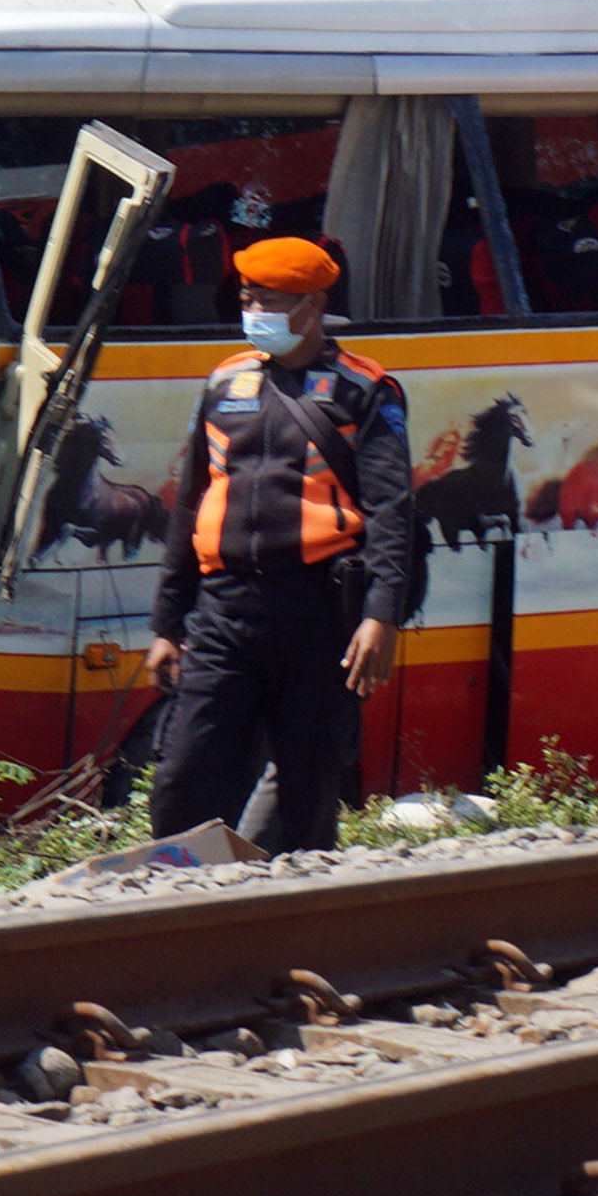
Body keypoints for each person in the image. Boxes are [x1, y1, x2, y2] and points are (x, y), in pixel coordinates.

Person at [144, 235, 415, 853]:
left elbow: (392, 510)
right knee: (184, 781)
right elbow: (190, 502)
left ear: (312, 306)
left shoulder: (365, 391)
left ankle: (287, 924)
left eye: (267, 301)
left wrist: (382, 615)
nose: (253, 313)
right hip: (223, 611)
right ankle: (179, 914)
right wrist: (167, 622)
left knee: (305, 795)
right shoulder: (225, 382)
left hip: (318, 615)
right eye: (247, 300)